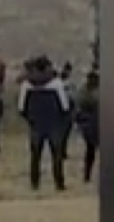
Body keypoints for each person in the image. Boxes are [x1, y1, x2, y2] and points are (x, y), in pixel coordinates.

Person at [18, 56, 71, 191]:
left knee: (35, 156)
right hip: (54, 123)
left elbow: (21, 108)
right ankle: (59, 183)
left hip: (36, 123)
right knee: (57, 155)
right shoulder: (57, 83)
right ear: (48, 67)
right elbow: (65, 106)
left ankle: (35, 182)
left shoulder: (27, 84)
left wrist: (31, 119)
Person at [75, 70, 100, 183]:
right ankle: (87, 174)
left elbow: (78, 110)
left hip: (89, 125)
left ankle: (87, 175)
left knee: (90, 151)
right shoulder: (94, 92)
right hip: (94, 123)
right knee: (90, 151)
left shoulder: (82, 92)